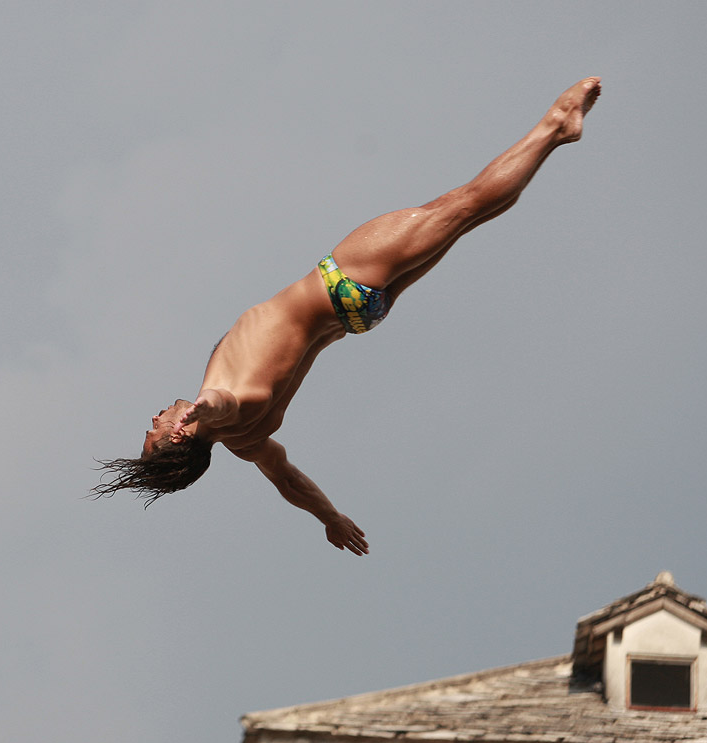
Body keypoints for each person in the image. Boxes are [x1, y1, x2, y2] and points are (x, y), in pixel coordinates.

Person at [92, 77, 602, 556]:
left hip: (359, 315)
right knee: (459, 205)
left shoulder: (246, 444)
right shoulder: (225, 410)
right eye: (154, 430)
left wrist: (329, 517)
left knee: (463, 219)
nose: (154, 418)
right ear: (179, 435)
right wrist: (204, 407)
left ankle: (554, 136)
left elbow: (288, 479)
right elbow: (231, 398)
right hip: (342, 284)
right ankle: (556, 125)